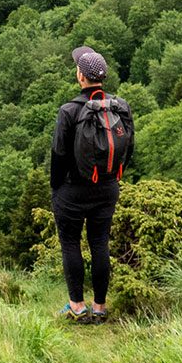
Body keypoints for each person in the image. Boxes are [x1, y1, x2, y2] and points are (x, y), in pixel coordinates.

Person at [50, 45, 133, 323]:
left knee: (71, 243)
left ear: (80, 77)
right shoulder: (120, 107)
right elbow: (128, 149)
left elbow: (59, 154)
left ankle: (77, 306)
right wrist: (110, 177)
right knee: (100, 243)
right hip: (107, 187)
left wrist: (57, 188)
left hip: (72, 189)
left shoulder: (69, 111)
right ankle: (100, 308)